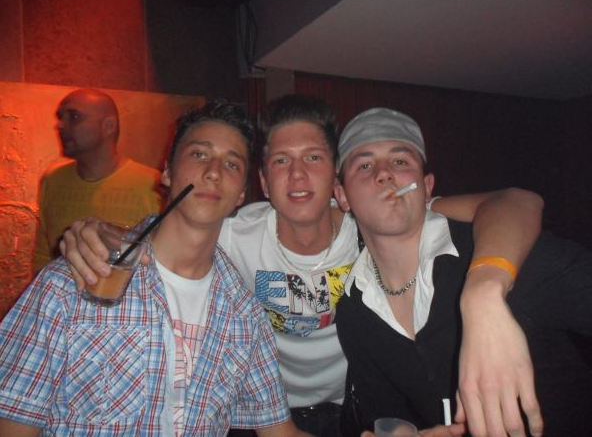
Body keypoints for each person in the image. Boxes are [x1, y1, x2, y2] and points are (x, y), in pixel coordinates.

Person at [60, 95, 543, 437]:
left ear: (336, 180)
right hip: (264, 416)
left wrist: (486, 289)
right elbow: (170, 230)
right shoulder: (235, 233)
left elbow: (513, 202)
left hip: (352, 406)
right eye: (280, 161)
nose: (297, 175)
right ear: (262, 181)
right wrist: (94, 232)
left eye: (313, 158)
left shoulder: (372, 224)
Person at [0, 100, 313, 437]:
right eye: (199, 154)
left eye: (232, 164)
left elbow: (280, 433)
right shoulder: (74, 281)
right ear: (167, 171)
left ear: (240, 195)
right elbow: (13, 425)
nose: (214, 172)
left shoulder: (245, 316)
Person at [334, 107, 592, 437]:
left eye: (400, 161)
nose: (384, 174)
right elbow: (388, 414)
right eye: (364, 165)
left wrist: (485, 295)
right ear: (343, 196)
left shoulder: (508, 252)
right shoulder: (354, 311)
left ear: (426, 187)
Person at [32, 88, 161, 272]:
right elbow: (43, 254)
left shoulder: (153, 185)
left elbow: (165, 257)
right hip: (59, 290)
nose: (59, 125)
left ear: (108, 126)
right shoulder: (52, 180)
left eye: (74, 117)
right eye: (60, 117)